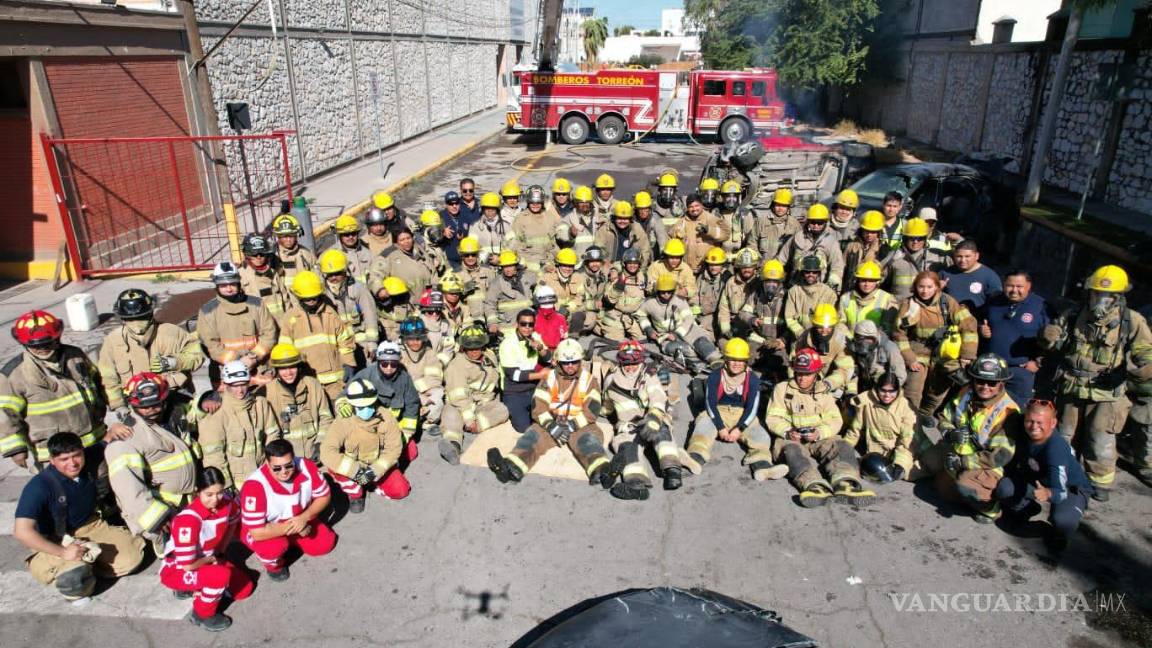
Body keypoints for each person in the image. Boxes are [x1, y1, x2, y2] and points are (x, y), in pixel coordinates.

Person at [1040, 265, 1152, 500]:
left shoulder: (1132, 321)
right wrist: (1048, 337)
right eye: (1096, 293)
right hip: (1071, 385)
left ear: (1118, 297)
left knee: (1100, 437)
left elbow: (1145, 351)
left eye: (1107, 295)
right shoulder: (1073, 315)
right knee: (1064, 434)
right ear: (1088, 293)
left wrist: (1143, 368)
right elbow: (1054, 341)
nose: (1100, 299)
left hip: (1107, 392)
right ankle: (1063, 474)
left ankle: (1099, 481)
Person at [13, 432, 145, 600]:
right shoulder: (39, 486)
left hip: (89, 526)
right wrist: (62, 552)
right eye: (64, 459)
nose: (73, 463)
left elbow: (105, 440)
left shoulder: (88, 458)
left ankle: (90, 561)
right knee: (74, 581)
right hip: (55, 538)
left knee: (132, 558)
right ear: (52, 460)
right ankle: (72, 565)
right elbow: (22, 532)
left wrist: (114, 430)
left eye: (76, 455)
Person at [487, 339, 611, 486]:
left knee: (588, 442)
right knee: (531, 438)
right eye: (565, 362)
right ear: (558, 361)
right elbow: (538, 406)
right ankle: (512, 467)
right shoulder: (550, 378)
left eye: (574, 362)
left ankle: (602, 471)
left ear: (580, 361)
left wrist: (572, 425)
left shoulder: (589, 380)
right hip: (553, 421)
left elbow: (591, 411)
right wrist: (551, 425)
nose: (570, 366)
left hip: (581, 424)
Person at [917, 353, 1020, 523]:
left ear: (1001, 384)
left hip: (987, 465)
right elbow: (944, 417)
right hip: (958, 452)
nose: (985, 386)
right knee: (933, 468)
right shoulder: (966, 392)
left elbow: (1000, 456)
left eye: (992, 383)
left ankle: (991, 509)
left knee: (964, 485)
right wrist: (949, 432)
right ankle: (962, 490)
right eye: (980, 381)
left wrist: (962, 463)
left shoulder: (1009, 412)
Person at [1, 310, 109, 472]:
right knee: (65, 494)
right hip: (54, 455)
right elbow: (5, 415)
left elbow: (99, 383)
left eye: (48, 342)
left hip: (94, 442)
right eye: (36, 346)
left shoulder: (75, 356)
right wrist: (17, 449)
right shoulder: (14, 375)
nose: (43, 348)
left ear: (57, 337)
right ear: (25, 344)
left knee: (102, 488)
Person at [766, 348, 873, 506]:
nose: (801, 378)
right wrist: (787, 432)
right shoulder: (782, 389)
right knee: (792, 453)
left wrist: (820, 433)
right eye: (798, 373)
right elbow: (772, 417)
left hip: (818, 437)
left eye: (807, 374)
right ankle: (814, 487)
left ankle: (845, 483)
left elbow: (835, 419)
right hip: (792, 438)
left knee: (842, 446)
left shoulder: (823, 391)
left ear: (816, 373)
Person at [105, 373, 197, 545]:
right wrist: (157, 520)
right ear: (132, 403)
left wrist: (208, 399)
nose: (151, 410)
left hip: (188, 502)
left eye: (156, 404)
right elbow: (129, 489)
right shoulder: (127, 437)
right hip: (162, 511)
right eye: (144, 406)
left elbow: (195, 409)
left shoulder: (172, 415)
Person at [159, 466, 254, 632]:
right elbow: (188, 565)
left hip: (208, 559)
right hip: (178, 568)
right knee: (220, 576)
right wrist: (212, 560)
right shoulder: (188, 520)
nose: (216, 499)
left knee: (244, 589)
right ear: (197, 491)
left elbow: (232, 522)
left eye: (219, 492)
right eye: (208, 494)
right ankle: (202, 613)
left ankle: (198, 589)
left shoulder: (227, 503)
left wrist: (221, 552)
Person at [994, 400, 1093, 553]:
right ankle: (1026, 510)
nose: (1033, 427)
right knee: (1004, 488)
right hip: (1037, 478)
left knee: (1063, 522)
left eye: (1040, 423)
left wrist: (1048, 493)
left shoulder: (1056, 450)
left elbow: (1060, 493)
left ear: (1053, 423)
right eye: (1029, 421)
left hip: (1067, 487)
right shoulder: (1020, 426)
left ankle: (1058, 535)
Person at [686, 339, 789, 481]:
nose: (736, 364)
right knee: (702, 428)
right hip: (718, 411)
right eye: (732, 359)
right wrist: (720, 427)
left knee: (761, 436)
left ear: (746, 361)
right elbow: (710, 403)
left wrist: (739, 429)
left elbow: (752, 408)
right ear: (726, 359)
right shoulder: (716, 375)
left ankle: (762, 467)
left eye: (740, 360)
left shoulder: (752, 379)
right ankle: (694, 458)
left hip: (742, 413)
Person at [599, 341, 684, 500]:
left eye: (634, 363)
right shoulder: (611, 380)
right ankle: (636, 485)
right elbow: (607, 405)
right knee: (628, 449)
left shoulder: (649, 376)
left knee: (662, 434)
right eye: (626, 363)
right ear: (620, 361)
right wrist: (603, 412)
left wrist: (654, 417)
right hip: (629, 427)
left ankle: (672, 471)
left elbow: (658, 397)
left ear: (641, 361)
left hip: (650, 419)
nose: (630, 367)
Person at [240, 439, 335, 581]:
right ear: (267, 463)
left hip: (299, 517)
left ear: (294, 458)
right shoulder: (254, 486)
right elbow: (257, 532)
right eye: (277, 468)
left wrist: (304, 517)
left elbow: (324, 496)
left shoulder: (306, 466)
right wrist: (297, 527)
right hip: (266, 529)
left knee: (325, 544)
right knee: (273, 548)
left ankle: (291, 544)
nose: (284, 472)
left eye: (288, 465)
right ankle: (273, 566)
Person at [98, 288, 202, 416]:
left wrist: (175, 362)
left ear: (151, 313)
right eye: (130, 319)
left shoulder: (172, 333)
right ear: (123, 320)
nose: (137, 325)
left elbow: (197, 356)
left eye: (142, 318)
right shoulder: (113, 342)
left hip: (174, 398)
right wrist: (118, 406)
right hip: (136, 405)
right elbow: (108, 377)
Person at [893, 271, 978, 415]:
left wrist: (967, 355)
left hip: (944, 350)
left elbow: (968, 325)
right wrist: (910, 359)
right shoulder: (909, 305)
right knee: (913, 389)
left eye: (929, 287)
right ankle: (909, 418)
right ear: (915, 287)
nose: (925, 291)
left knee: (938, 390)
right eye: (921, 287)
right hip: (918, 350)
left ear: (937, 287)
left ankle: (925, 415)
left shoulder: (948, 302)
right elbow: (899, 334)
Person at [322, 379, 409, 512]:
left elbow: (393, 449)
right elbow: (327, 452)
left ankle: (371, 485)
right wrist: (356, 472)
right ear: (352, 406)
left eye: (370, 405)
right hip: (353, 467)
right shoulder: (344, 420)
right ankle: (355, 494)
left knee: (401, 490)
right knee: (334, 467)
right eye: (361, 407)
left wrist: (374, 471)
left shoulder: (386, 417)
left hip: (376, 466)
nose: (367, 410)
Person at [199, 361, 280, 489]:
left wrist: (271, 466)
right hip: (237, 485)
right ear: (226, 385)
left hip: (264, 477)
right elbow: (214, 455)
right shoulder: (217, 411)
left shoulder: (260, 404)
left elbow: (273, 436)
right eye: (235, 386)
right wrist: (226, 486)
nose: (240, 390)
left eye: (243, 384)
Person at [279, 270, 357, 400]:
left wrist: (349, 364)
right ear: (298, 296)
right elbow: (285, 351)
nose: (311, 300)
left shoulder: (330, 314)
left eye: (314, 296)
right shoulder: (291, 318)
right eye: (307, 297)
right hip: (307, 382)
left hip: (335, 383)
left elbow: (345, 341)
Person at [196, 262, 278, 384]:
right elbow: (211, 345)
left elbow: (269, 334)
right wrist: (237, 362)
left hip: (259, 369)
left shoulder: (257, 304)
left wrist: (253, 358)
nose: (229, 289)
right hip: (225, 372)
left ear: (239, 283)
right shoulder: (208, 311)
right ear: (216, 286)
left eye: (232, 284)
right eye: (223, 285)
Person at [440, 324, 509, 465]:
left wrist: (476, 423)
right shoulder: (457, 365)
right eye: (469, 348)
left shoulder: (489, 356)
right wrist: (469, 418)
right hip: (461, 404)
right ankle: (453, 445)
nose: (473, 351)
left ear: (483, 345)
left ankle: (476, 427)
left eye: (477, 347)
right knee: (450, 413)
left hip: (484, 403)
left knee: (503, 411)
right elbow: (459, 397)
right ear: (463, 347)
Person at [979, 270, 1049, 406]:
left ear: (1029, 286)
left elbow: (1052, 339)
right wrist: (981, 329)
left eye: (1019, 286)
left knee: (1016, 410)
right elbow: (979, 322)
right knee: (985, 409)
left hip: (1020, 371)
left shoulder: (1041, 306)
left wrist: (1038, 362)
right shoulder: (994, 302)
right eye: (1010, 286)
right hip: (991, 368)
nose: (1014, 290)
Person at [341, 342, 421, 454]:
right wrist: (342, 404)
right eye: (384, 364)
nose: (389, 368)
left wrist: (406, 433)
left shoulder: (404, 379)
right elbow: (345, 394)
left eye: (393, 364)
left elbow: (412, 405)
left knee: (411, 452)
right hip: (368, 424)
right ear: (378, 361)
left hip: (393, 426)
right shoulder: (366, 375)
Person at [636, 274, 722, 372]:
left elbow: (689, 319)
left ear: (673, 291)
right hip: (665, 335)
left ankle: (715, 360)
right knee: (675, 348)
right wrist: (648, 329)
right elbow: (640, 315)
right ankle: (697, 360)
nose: (666, 295)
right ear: (657, 291)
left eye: (669, 292)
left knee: (701, 342)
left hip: (687, 329)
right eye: (663, 292)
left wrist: (676, 334)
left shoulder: (680, 301)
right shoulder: (650, 303)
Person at [264, 343, 332, 462]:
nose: (288, 372)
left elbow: (326, 418)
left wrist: (320, 444)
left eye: (292, 367)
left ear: (299, 367)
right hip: (287, 462)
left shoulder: (312, 385)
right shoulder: (268, 392)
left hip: (315, 457)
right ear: (276, 370)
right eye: (283, 368)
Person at [846, 372, 916, 483]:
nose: (887, 395)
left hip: (902, 450)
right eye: (883, 390)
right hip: (877, 452)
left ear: (898, 390)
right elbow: (855, 430)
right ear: (877, 389)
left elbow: (907, 440)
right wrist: (844, 449)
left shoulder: (906, 406)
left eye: (892, 391)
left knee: (913, 472)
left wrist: (900, 464)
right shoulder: (866, 402)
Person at [319, 249, 379, 363]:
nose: (333, 278)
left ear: (345, 272)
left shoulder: (358, 289)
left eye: (337, 273)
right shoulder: (322, 294)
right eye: (329, 275)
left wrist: (372, 343)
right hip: (338, 345)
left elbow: (370, 315)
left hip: (361, 342)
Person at [499, 309, 551, 433]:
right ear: (517, 324)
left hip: (533, 387)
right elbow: (514, 375)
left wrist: (540, 348)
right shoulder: (508, 344)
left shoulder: (535, 337)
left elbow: (548, 359)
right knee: (524, 427)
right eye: (523, 324)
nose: (527, 328)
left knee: (548, 419)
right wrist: (541, 375)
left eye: (530, 325)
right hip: (514, 391)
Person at [736, 259, 790, 378]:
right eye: (767, 282)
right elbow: (744, 312)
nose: (770, 285)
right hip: (758, 340)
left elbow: (792, 323)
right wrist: (752, 320)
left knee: (781, 363)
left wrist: (783, 340)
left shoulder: (787, 297)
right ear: (763, 282)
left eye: (774, 282)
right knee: (746, 359)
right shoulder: (756, 294)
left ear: (780, 282)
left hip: (777, 342)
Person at [776, 204, 845, 291]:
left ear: (825, 223)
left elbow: (837, 266)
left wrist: (831, 284)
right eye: (813, 222)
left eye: (819, 223)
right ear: (808, 222)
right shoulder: (798, 237)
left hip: (819, 288)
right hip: (796, 286)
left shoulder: (831, 242)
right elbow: (781, 259)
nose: (816, 226)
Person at [398, 317, 447, 439]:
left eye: (418, 338)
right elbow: (397, 382)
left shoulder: (429, 353)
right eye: (410, 339)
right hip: (405, 393)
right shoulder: (398, 353)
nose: (415, 342)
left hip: (425, 392)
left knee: (438, 395)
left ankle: (425, 422)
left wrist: (424, 397)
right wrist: (419, 396)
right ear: (404, 338)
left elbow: (435, 379)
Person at [793, 304, 855, 395]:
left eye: (829, 327)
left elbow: (845, 370)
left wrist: (827, 384)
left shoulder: (841, 342)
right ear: (814, 324)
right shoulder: (804, 338)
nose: (824, 331)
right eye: (820, 327)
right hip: (808, 380)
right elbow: (794, 362)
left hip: (833, 385)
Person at [883, 218, 949, 301]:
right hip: (898, 306)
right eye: (912, 238)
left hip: (925, 307)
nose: (915, 242)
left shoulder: (936, 258)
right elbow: (880, 281)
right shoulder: (894, 257)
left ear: (925, 239)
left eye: (919, 238)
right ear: (905, 238)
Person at [369, 227, 442, 297]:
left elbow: (433, 272)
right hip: (405, 303)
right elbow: (375, 273)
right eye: (402, 240)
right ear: (396, 242)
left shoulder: (419, 250)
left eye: (408, 238)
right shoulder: (389, 255)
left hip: (427, 299)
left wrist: (435, 292)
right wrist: (379, 289)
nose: (406, 242)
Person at [239, 233, 293, 325]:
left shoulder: (273, 273)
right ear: (247, 254)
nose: (259, 257)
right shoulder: (241, 276)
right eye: (254, 254)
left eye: (262, 254)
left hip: (281, 324)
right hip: (259, 327)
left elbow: (285, 300)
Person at [668, 193, 731, 272]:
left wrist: (709, 230)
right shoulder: (683, 221)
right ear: (687, 208)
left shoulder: (710, 218)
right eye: (691, 207)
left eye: (697, 206)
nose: (694, 209)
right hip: (687, 269)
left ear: (702, 205)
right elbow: (670, 237)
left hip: (706, 269)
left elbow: (726, 234)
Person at [783, 255, 839, 339]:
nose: (811, 275)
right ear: (802, 273)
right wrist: (802, 334)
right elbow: (789, 318)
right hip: (799, 339)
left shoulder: (829, 294)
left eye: (814, 272)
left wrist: (821, 336)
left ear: (819, 273)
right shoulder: (794, 291)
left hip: (822, 338)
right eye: (807, 272)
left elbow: (833, 321)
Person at [509, 184, 561, 273]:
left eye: (538, 203)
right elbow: (513, 244)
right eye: (532, 202)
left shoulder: (550, 217)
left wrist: (559, 257)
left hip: (549, 264)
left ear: (542, 202)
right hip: (528, 266)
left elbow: (553, 242)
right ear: (528, 202)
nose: (535, 205)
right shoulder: (521, 218)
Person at [838, 261, 898, 336]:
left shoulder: (887, 299)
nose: (867, 284)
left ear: (877, 281)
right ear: (857, 280)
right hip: (849, 342)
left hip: (874, 343)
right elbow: (840, 323)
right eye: (863, 280)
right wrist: (849, 338)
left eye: (871, 281)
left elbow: (888, 329)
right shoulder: (846, 298)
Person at [484, 250, 536, 336]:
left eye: (511, 266)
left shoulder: (526, 277)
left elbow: (540, 282)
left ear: (516, 265)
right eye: (505, 267)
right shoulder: (496, 283)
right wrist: (492, 323)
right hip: (508, 328)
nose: (508, 269)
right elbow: (489, 304)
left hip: (527, 325)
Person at [940, 240, 1002, 312]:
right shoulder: (944, 273)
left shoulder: (990, 276)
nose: (963, 260)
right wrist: (937, 289)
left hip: (977, 320)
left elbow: (997, 304)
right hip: (948, 319)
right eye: (959, 256)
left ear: (977, 256)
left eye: (967, 256)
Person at [848, 320, 907, 394]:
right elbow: (851, 372)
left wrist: (886, 391)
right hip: (863, 387)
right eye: (861, 338)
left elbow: (900, 376)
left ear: (875, 337)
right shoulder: (853, 348)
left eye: (870, 339)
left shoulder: (889, 348)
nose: (865, 343)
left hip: (884, 391)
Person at [539, 248, 590, 330]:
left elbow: (580, 298)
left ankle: (572, 337)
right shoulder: (546, 278)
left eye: (570, 266)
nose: (568, 269)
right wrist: (558, 308)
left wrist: (567, 309)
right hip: (551, 312)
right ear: (558, 265)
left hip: (568, 312)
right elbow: (539, 298)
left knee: (581, 316)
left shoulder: (578, 278)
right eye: (564, 265)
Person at [594, 200, 652, 269]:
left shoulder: (637, 229)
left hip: (632, 268)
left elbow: (645, 250)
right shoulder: (605, 229)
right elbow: (598, 250)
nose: (622, 221)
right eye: (619, 218)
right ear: (614, 218)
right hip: (610, 268)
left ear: (630, 219)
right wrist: (607, 266)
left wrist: (640, 269)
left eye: (625, 218)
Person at [646, 239, 697, 312]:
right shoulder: (656, 266)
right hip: (658, 303)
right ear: (666, 256)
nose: (674, 260)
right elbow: (649, 287)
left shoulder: (686, 269)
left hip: (679, 303)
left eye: (677, 258)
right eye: (671, 257)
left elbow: (692, 288)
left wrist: (686, 291)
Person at [270, 214, 316, 294]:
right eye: (284, 236)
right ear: (278, 236)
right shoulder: (272, 257)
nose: (288, 240)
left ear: (297, 235)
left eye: (291, 236)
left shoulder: (306, 254)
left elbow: (316, 278)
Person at [753, 188, 801, 261]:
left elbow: (800, 247)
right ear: (773, 205)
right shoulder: (761, 222)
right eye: (778, 205)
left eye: (784, 206)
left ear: (788, 208)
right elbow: (752, 244)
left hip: (786, 268)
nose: (780, 208)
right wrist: (759, 262)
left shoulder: (794, 224)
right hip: (764, 267)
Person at [557, 185, 604, 258]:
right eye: (581, 202)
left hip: (594, 261)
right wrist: (570, 233)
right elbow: (560, 236)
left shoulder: (598, 218)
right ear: (575, 203)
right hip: (577, 263)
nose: (584, 205)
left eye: (587, 202)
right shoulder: (567, 219)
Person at [842, 210, 888, 284]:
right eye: (866, 231)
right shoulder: (851, 245)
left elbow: (884, 275)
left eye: (873, 232)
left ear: (879, 232)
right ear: (861, 230)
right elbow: (842, 266)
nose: (869, 234)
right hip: (849, 287)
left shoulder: (884, 250)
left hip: (870, 288)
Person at [328, 214, 375, 285]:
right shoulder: (331, 255)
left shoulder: (367, 253)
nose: (350, 237)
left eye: (353, 234)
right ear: (340, 235)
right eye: (346, 234)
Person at [696, 247, 731, 338]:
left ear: (723, 265)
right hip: (701, 315)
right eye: (711, 264)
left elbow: (722, 304)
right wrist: (694, 306)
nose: (713, 267)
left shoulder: (727, 279)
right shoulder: (702, 277)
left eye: (717, 265)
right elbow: (695, 294)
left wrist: (702, 310)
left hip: (717, 315)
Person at [457, 236, 495, 315]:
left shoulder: (489, 271)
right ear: (462, 256)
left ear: (477, 254)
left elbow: (496, 295)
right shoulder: (455, 274)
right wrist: (463, 289)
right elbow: (451, 298)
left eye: (473, 254)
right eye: (467, 255)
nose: (470, 258)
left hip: (487, 315)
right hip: (467, 317)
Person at [472, 192, 514, 265]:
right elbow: (471, 249)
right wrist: (484, 258)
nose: (490, 211)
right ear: (482, 209)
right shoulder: (475, 227)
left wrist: (500, 258)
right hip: (482, 266)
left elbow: (513, 246)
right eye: (487, 208)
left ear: (497, 209)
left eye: (493, 208)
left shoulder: (506, 226)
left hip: (503, 265)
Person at [375, 275, 417, 342]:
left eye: (401, 296)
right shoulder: (380, 318)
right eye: (396, 297)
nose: (399, 301)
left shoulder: (411, 311)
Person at [532, 285, 569, 351]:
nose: (547, 306)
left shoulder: (560, 318)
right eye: (544, 302)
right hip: (541, 353)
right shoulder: (533, 319)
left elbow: (565, 338)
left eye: (549, 301)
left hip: (558, 352)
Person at [633, 190, 669, 255]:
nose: (643, 211)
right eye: (641, 208)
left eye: (646, 208)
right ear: (636, 208)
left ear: (650, 207)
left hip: (652, 254)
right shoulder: (632, 220)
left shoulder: (655, 219)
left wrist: (664, 254)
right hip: (634, 254)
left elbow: (662, 238)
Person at [439, 191, 468, 268]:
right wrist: (442, 233)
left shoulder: (464, 215)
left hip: (465, 259)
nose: (454, 206)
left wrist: (463, 237)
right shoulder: (440, 217)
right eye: (451, 204)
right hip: (449, 261)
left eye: (457, 203)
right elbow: (430, 237)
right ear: (446, 204)